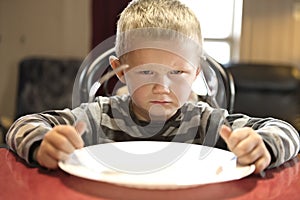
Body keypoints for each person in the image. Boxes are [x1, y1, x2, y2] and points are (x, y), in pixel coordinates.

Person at [6, 0, 299, 174]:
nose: (163, 86)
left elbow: (286, 131)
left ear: (196, 72)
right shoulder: (98, 117)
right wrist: (43, 143)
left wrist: (264, 147)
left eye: (178, 72)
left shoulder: (206, 121)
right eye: (147, 72)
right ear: (120, 70)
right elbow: (22, 126)